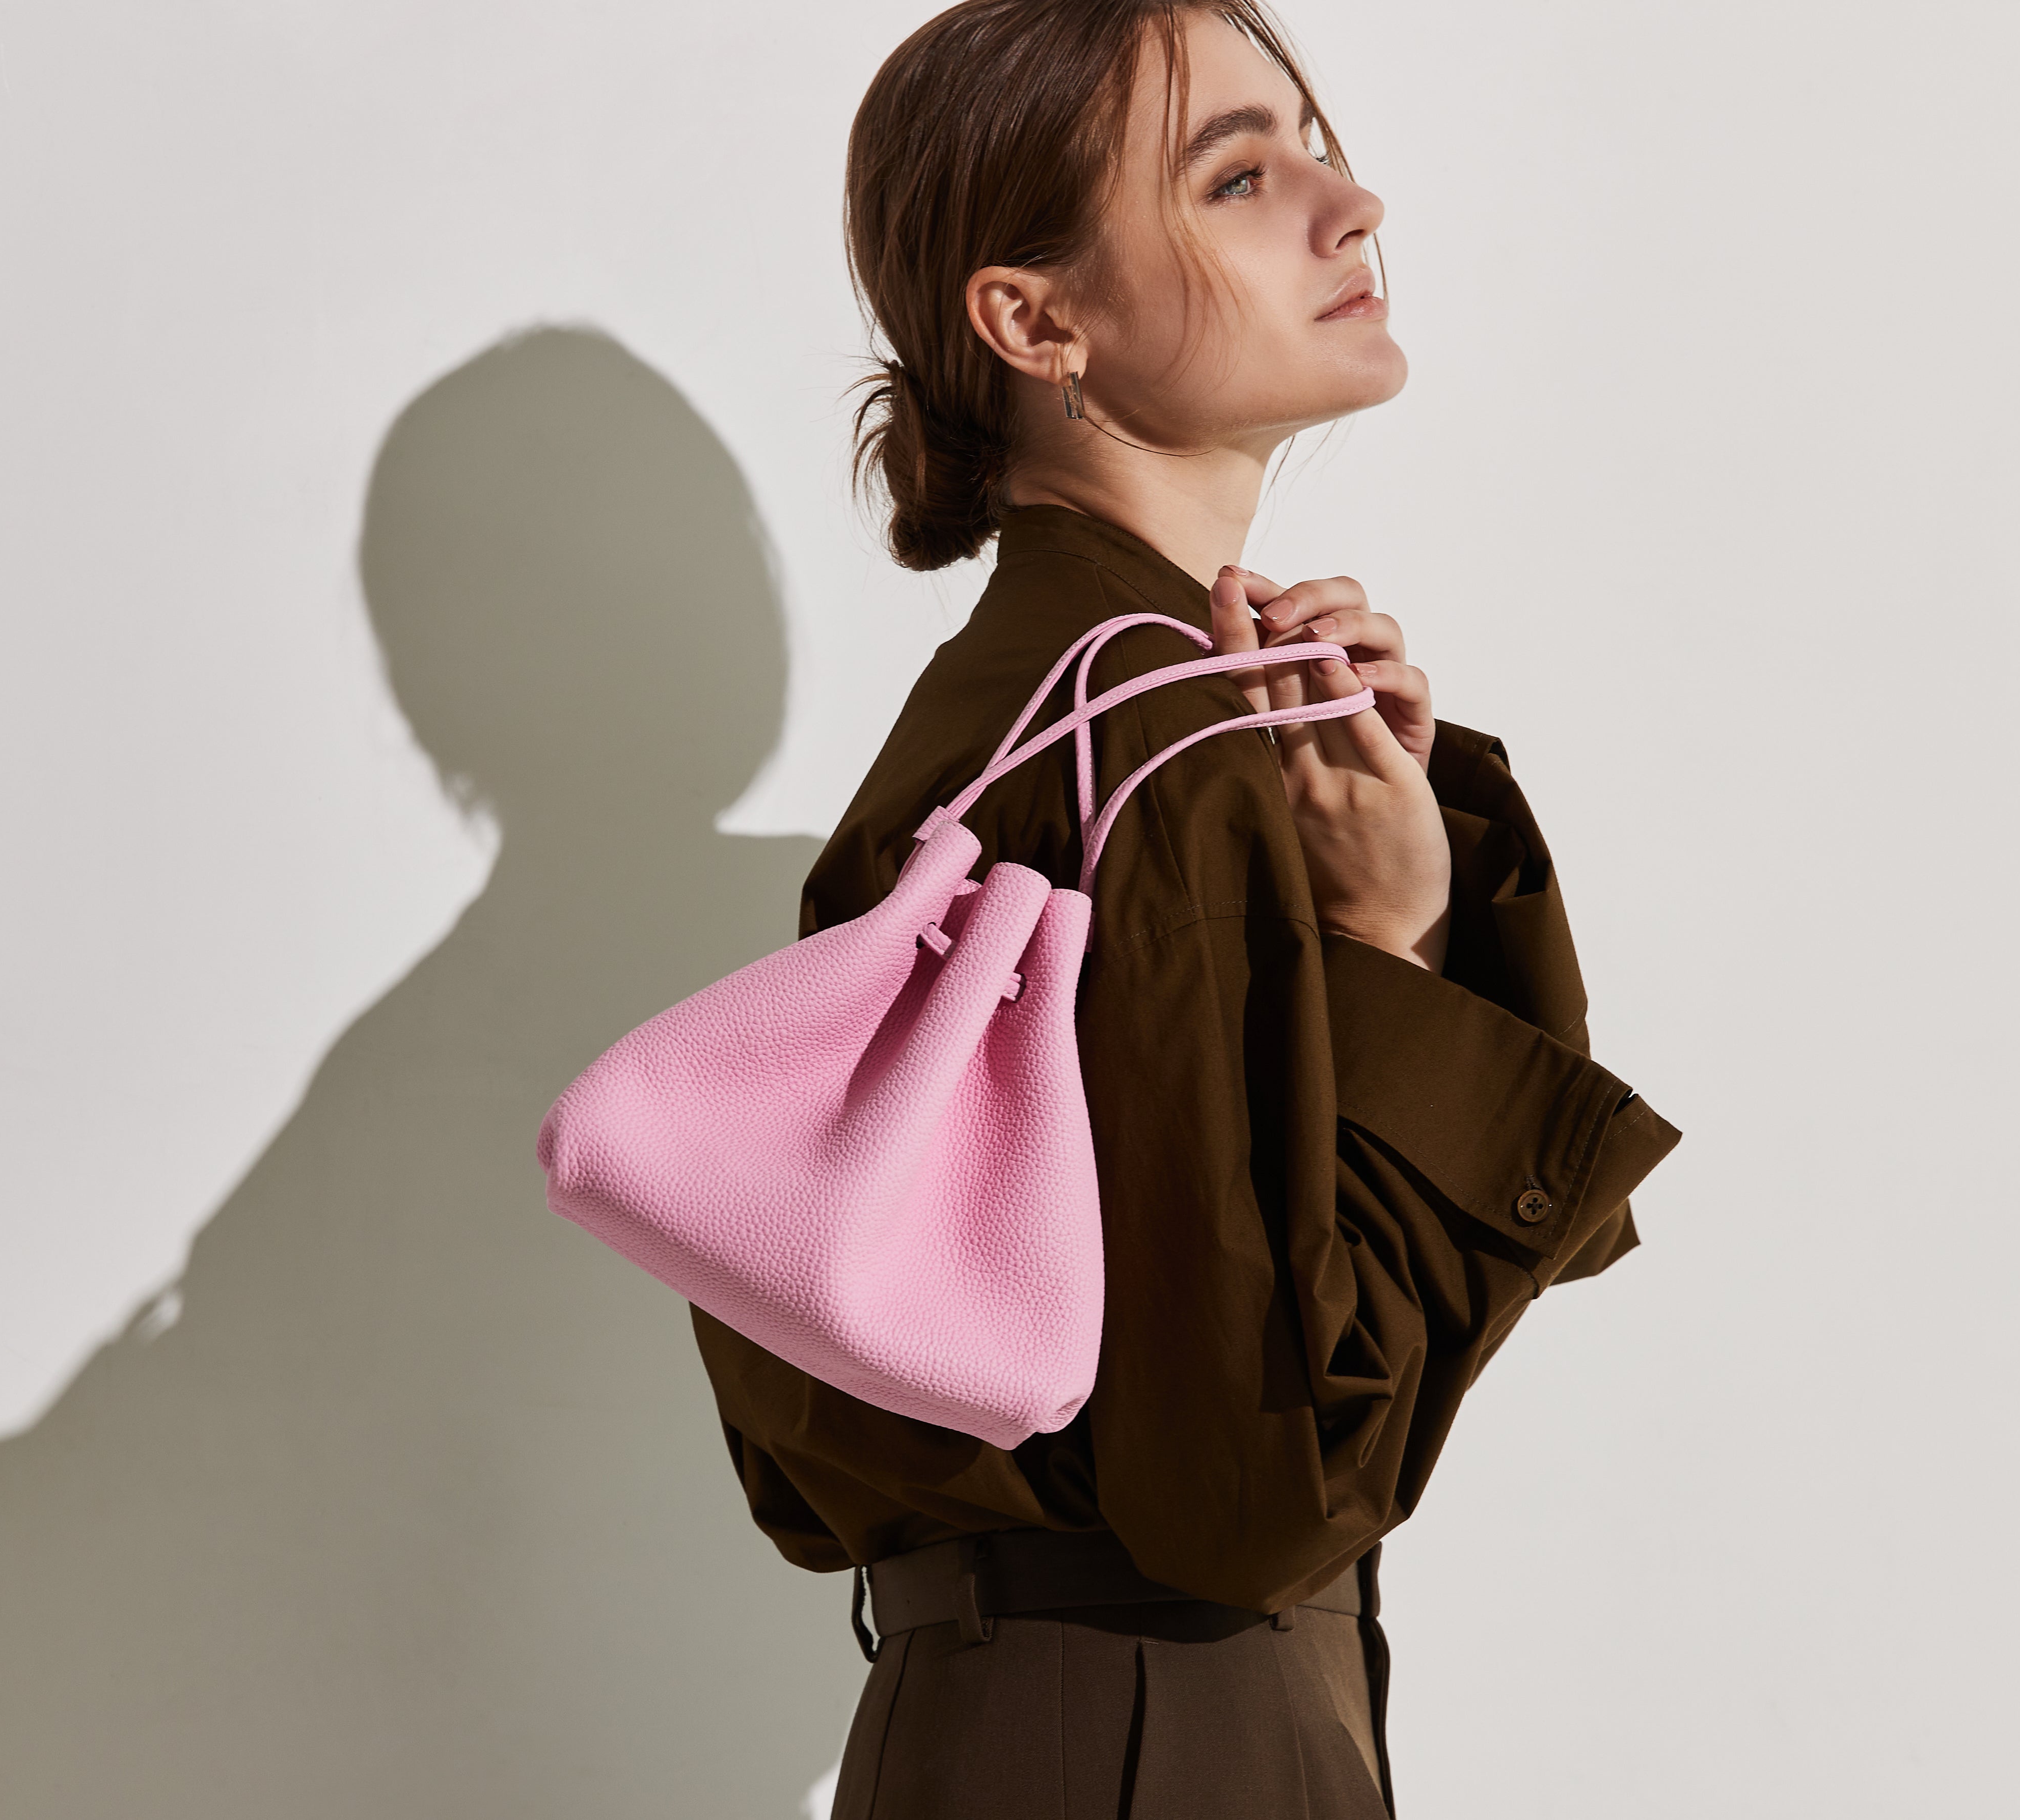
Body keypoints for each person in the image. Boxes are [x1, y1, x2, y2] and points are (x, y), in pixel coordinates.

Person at [686, 4, 1683, 1815]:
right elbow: (1255, 1485)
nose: (1352, 201)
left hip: (1033, 1716)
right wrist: (1385, 951)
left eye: (1318, 140)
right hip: (1161, 1723)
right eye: (1240, 173)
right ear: (1035, 320)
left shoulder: (1055, 703)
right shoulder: (1142, 733)